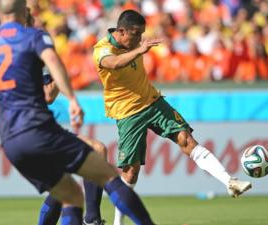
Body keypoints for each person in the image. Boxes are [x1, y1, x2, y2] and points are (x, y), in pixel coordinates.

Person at [0, 1, 156, 225]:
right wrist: (72, 98)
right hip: (39, 129)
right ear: (22, 12)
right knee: (106, 174)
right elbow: (53, 69)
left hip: (10, 141)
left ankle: (91, 219)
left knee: (69, 193)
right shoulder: (34, 37)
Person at [92, 10, 252, 225]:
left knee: (186, 139)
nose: (139, 38)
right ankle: (117, 222)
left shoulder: (134, 45)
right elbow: (114, 63)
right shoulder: (102, 49)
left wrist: (139, 48)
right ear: (121, 32)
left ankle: (229, 181)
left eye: (141, 34)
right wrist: (140, 50)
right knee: (131, 173)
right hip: (127, 113)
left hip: (153, 101)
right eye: (136, 34)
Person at [38, 71, 107, 225]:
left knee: (97, 150)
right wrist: (62, 78)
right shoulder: (33, 57)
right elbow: (47, 95)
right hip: (30, 134)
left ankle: (92, 219)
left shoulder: (44, 58)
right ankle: (91, 219)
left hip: (45, 131)